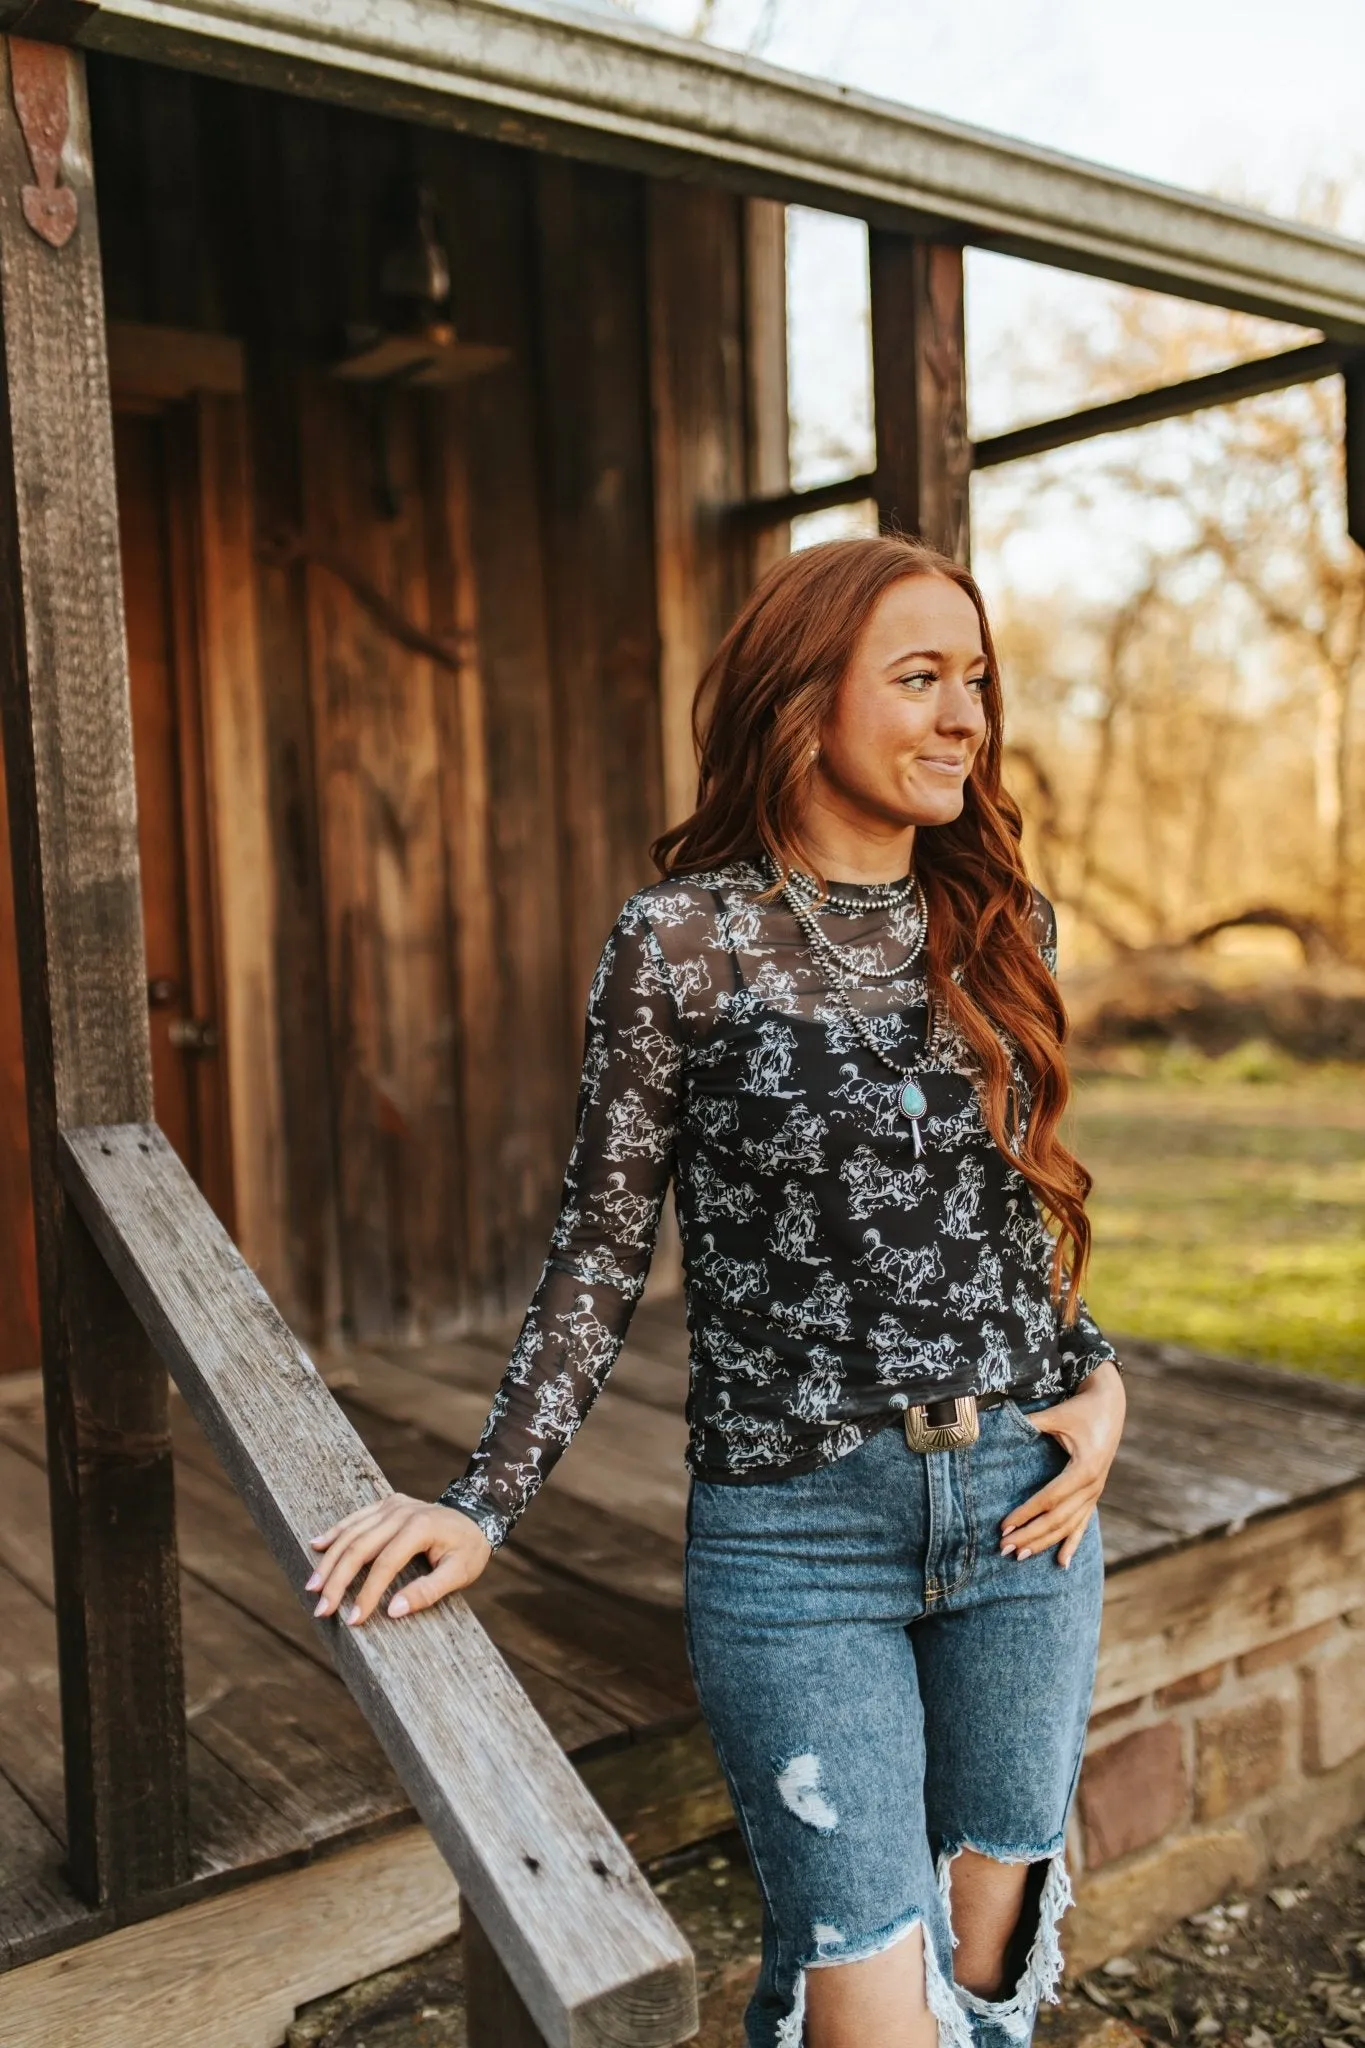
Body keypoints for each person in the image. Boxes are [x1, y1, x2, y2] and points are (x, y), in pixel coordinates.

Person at [307, 536, 1127, 2047]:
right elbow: (602, 1247)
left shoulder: (1005, 927)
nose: (968, 718)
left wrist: (1101, 1378)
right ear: (804, 700)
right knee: (875, 2009)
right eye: (922, 678)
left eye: (979, 681)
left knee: (991, 1971)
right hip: (796, 1534)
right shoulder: (683, 942)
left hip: (1026, 1516)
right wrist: (480, 1502)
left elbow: (1012, 1215)